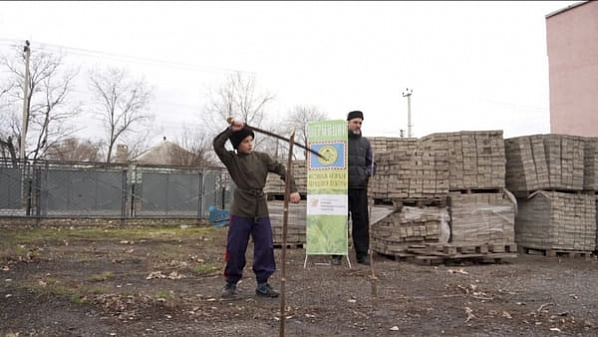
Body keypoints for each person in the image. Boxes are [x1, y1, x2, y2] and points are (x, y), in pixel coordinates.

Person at [213, 119, 301, 298]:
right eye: (245, 141)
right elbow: (217, 144)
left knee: (265, 245)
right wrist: (231, 129)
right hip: (241, 208)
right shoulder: (232, 159)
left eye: (251, 140)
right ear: (237, 144)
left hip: (260, 207)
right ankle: (231, 282)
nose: (250, 144)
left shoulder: (262, 158)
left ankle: (263, 283)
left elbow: (281, 169)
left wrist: (292, 189)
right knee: (236, 246)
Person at [332, 110, 376, 266]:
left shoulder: (365, 143)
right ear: (348, 123)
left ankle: (362, 254)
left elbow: (372, 164)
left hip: (360, 188)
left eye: (360, 123)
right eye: (355, 122)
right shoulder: (339, 142)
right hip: (341, 189)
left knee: (361, 222)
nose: (358, 125)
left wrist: (366, 174)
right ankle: (337, 254)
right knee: (340, 221)